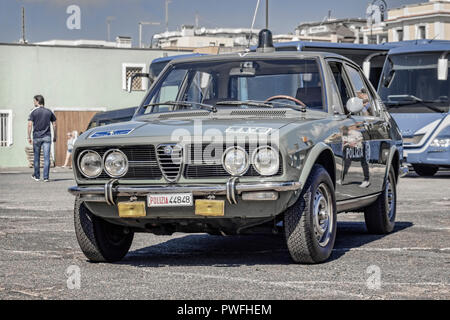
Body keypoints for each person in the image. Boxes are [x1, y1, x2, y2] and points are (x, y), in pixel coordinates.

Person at [28, 95, 57, 182]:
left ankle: (37, 176)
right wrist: (55, 136)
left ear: (37, 101)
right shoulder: (49, 112)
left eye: (34, 101)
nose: (33, 102)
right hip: (47, 137)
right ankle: (46, 177)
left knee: (36, 157)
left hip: (36, 137)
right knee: (46, 157)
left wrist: (28, 136)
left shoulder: (33, 112)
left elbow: (29, 125)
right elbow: (54, 124)